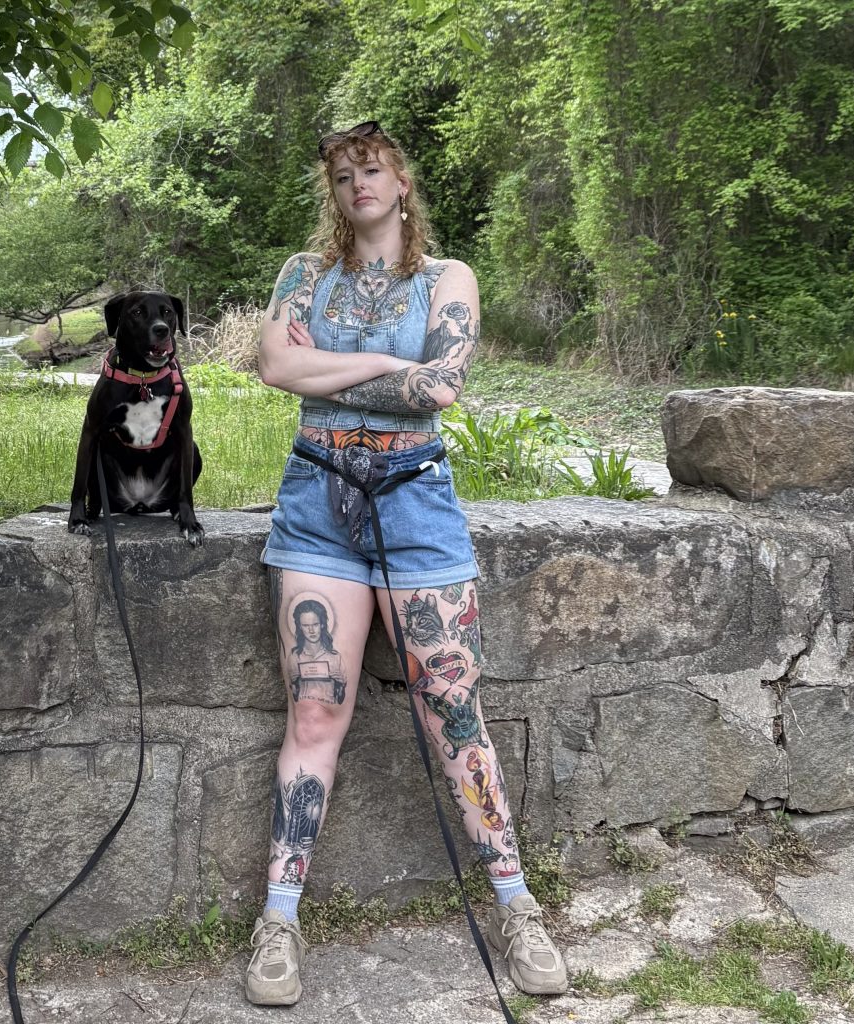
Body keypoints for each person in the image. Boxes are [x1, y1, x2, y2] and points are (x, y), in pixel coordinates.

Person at [247, 120, 567, 1006]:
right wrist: (392, 361)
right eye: (343, 175)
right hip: (316, 506)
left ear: (401, 183)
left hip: (416, 507)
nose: (358, 184)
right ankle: (278, 919)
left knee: (454, 709)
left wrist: (327, 368)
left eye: (373, 169)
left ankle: (517, 905)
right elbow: (273, 365)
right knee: (316, 709)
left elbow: (441, 387)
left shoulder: (447, 278)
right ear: (333, 193)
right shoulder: (303, 275)